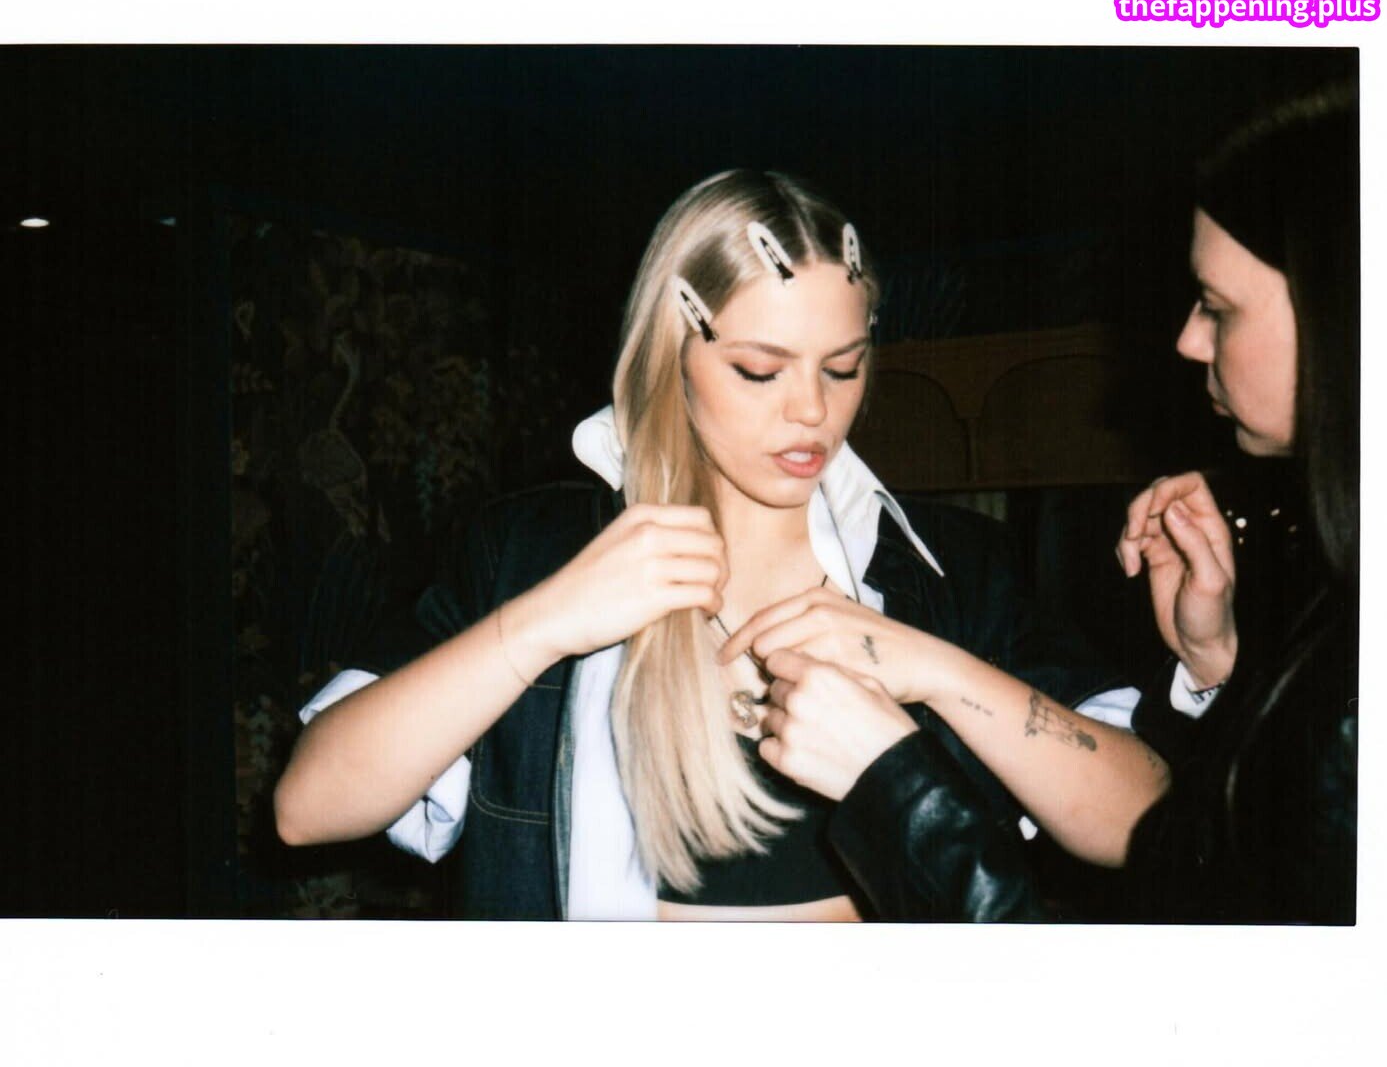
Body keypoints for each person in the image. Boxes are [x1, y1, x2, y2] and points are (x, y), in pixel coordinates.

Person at [274, 168, 1167, 921]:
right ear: (672, 354)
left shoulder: (950, 567)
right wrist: (543, 623)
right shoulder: (529, 550)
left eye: (844, 366)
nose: (812, 411)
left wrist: (933, 668)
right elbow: (307, 807)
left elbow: (1141, 822)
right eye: (758, 370)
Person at [752, 84, 1358, 924]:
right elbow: (1229, 866)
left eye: (1218, 308)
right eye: (758, 368)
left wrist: (895, 776)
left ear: (1339, 315)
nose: (1187, 339)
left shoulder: (962, 566)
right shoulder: (564, 555)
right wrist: (1213, 668)